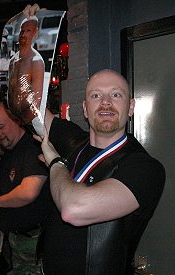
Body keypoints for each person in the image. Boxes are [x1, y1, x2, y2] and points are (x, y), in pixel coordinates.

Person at [34, 69, 165, 274]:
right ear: (86, 109)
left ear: (130, 107)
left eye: (116, 95)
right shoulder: (74, 143)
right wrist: (21, 59)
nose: (105, 102)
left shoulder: (145, 168)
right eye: (96, 95)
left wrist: (55, 163)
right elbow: (30, 109)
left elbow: (73, 210)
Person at [0, 102, 48, 275]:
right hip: (16, 243)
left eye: (0, 127)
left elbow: (28, 192)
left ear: (16, 120)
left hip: (34, 245)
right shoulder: (9, 152)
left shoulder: (32, 146)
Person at [7, 15, 45, 125]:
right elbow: (10, 93)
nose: (23, 34)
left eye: (28, 31)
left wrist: (28, 123)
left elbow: (36, 100)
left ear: (35, 33)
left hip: (29, 122)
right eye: (22, 31)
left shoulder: (36, 61)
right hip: (14, 120)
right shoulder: (13, 61)